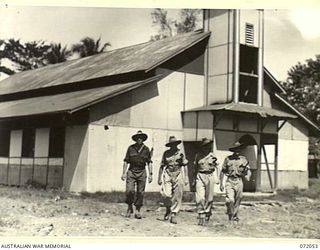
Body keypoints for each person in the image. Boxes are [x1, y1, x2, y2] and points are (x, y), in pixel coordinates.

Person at [121, 130, 153, 219]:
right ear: (135, 139)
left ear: (143, 139)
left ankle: (137, 211)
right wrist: (123, 173)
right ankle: (129, 207)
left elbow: (149, 162)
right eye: (137, 138)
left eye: (141, 138)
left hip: (142, 172)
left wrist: (151, 174)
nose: (139, 139)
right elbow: (126, 161)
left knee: (140, 192)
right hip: (131, 171)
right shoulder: (130, 148)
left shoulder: (146, 149)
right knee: (129, 191)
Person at [158, 136, 188, 224]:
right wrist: (159, 178)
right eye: (172, 145)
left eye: (175, 144)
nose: (173, 146)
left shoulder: (180, 154)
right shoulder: (166, 153)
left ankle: (174, 214)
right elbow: (162, 166)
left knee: (177, 195)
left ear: (177, 145)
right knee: (166, 194)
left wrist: (186, 177)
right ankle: (168, 208)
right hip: (168, 173)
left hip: (178, 173)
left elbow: (185, 165)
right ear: (170, 145)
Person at [219, 141, 251, 223]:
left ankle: (234, 216)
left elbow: (248, 170)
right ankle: (230, 215)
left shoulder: (244, 159)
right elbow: (222, 171)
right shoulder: (228, 159)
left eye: (239, 149)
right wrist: (221, 183)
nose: (238, 151)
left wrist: (248, 176)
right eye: (236, 149)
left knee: (238, 199)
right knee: (230, 200)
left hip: (239, 181)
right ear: (233, 150)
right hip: (229, 181)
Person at [194, 138, 219, 226]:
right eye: (204, 146)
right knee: (200, 197)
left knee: (209, 198)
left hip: (210, 176)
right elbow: (195, 168)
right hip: (200, 176)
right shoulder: (198, 155)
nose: (206, 148)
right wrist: (194, 180)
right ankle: (201, 214)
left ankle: (207, 213)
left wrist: (217, 178)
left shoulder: (213, 156)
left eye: (207, 146)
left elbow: (217, 167)